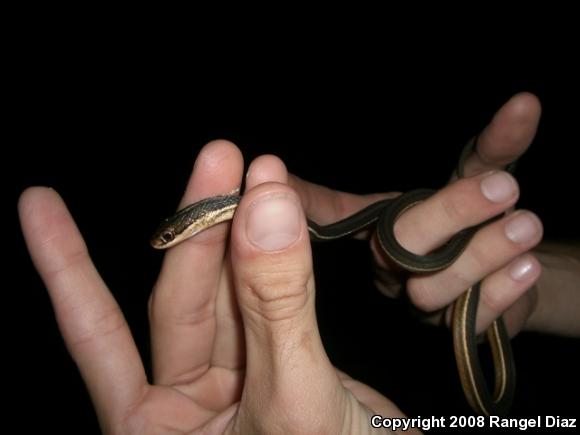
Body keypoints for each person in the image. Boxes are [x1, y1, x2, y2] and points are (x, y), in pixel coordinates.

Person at [18, 92, 579, 434]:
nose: (167, 241)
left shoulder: (241, 211)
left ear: (190, 222)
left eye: (170, 235)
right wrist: (541, 280)